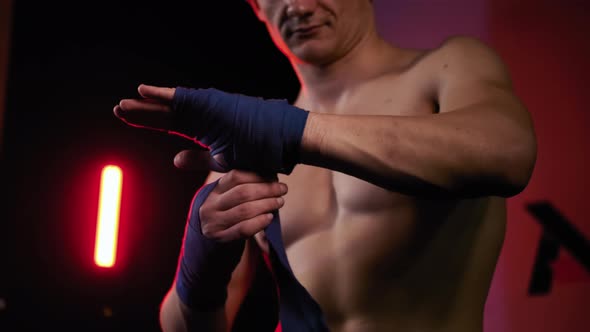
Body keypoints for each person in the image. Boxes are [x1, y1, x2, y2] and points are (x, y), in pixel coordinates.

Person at [113, 0, 537, 331]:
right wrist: (199, 270)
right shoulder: (246, 147)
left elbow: (508, 153)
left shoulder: (444, 69)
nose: (298, 6)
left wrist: (290, 133)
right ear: (257, 8)